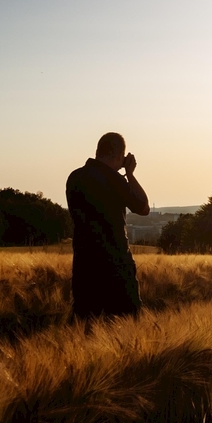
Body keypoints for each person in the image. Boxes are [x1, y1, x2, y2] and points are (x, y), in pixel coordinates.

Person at [66, 132, 150, 325]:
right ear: (120, 155)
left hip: (84, 266)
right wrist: (129, 174)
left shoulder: (74, 178)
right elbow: (143, 207)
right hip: (116, 265)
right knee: (129, 323)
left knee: (85, 326)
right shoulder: (114, 180)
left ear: (98, 151)